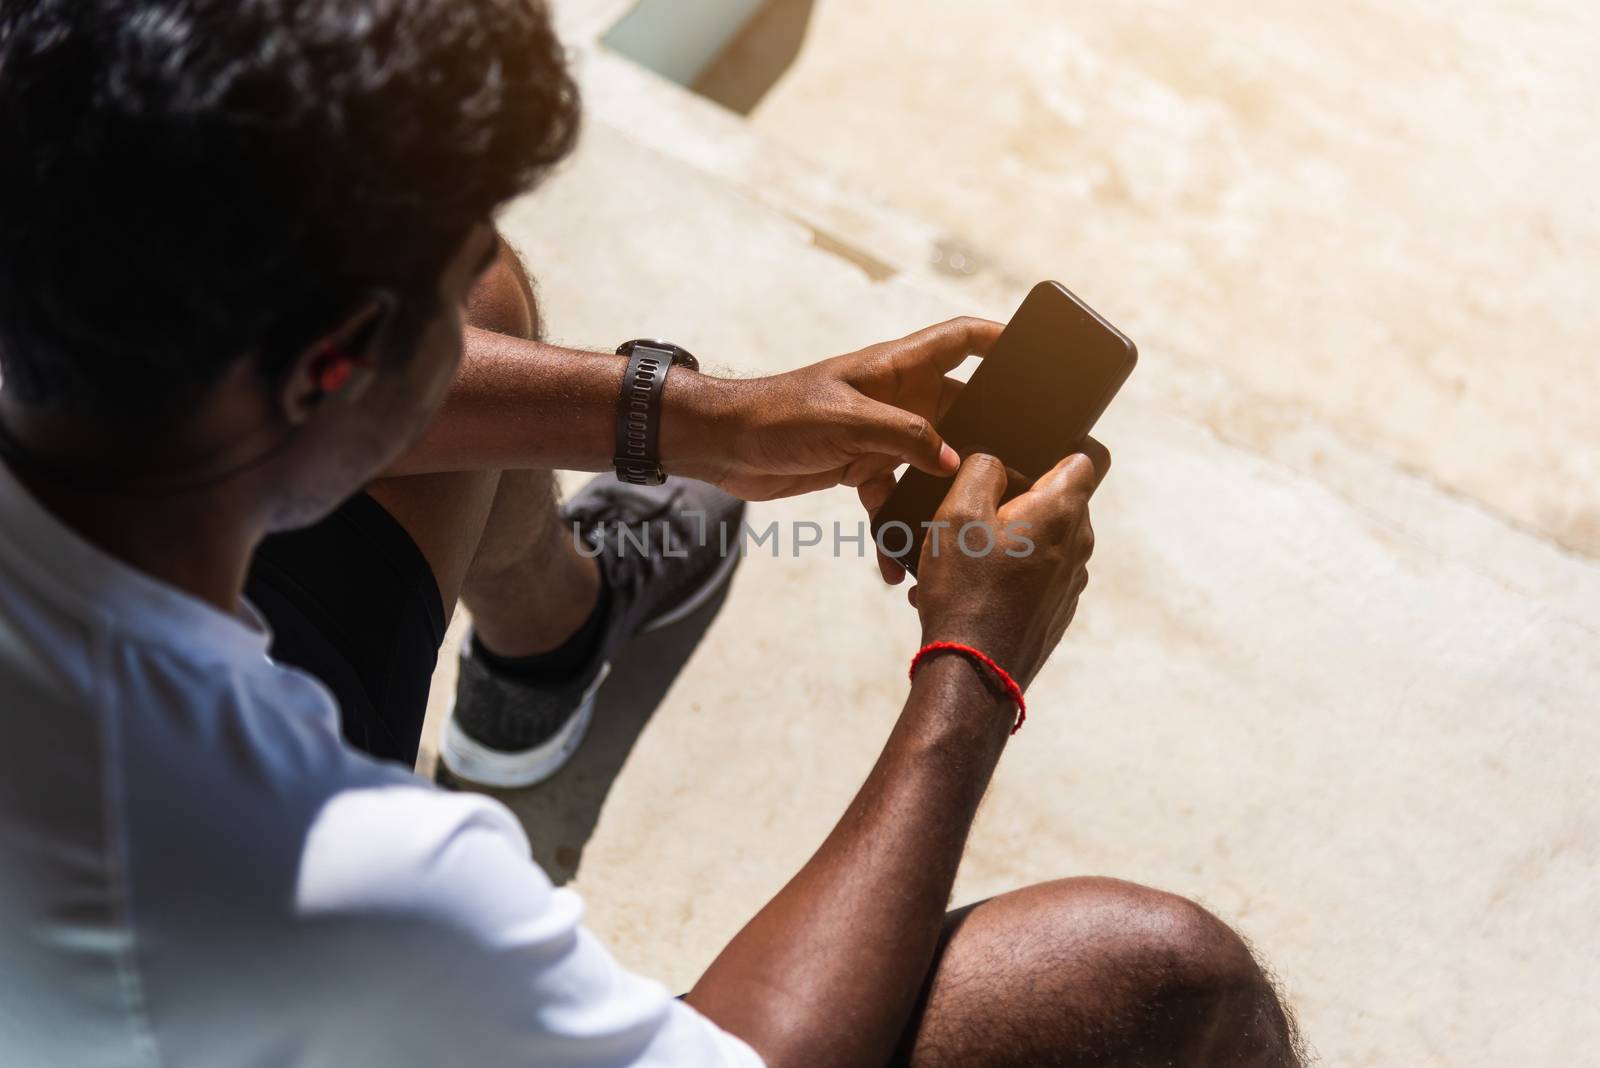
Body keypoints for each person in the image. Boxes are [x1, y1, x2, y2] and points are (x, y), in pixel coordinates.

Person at [0, 1, 1306, 1065]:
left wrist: (704, 420)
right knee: (1161, 982)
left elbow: (362, 368)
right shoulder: (341, 874)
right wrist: (974, 666)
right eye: (436, 306)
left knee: (508, 303)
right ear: (333, 365)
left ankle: (557, 648)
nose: (467, 325)